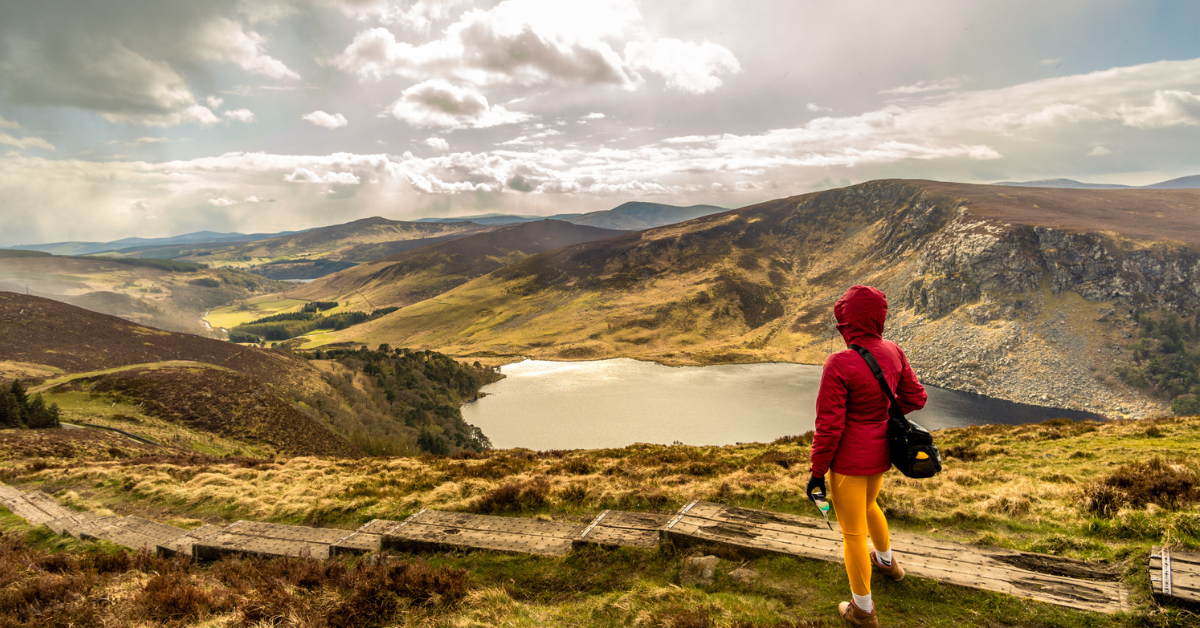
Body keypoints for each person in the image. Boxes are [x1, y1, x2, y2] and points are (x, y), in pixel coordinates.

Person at [807, 285, 927, 628]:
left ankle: (862, 610)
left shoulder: (840, 362)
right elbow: (916, 398)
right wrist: (883, 413)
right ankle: (889, 563)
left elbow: (829, 427)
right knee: (871, 505)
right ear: (878, 317)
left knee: (853, 534)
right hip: (881, 454)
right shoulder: (893, 350)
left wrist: (817, 472)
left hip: (848, 461)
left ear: (846, 321)